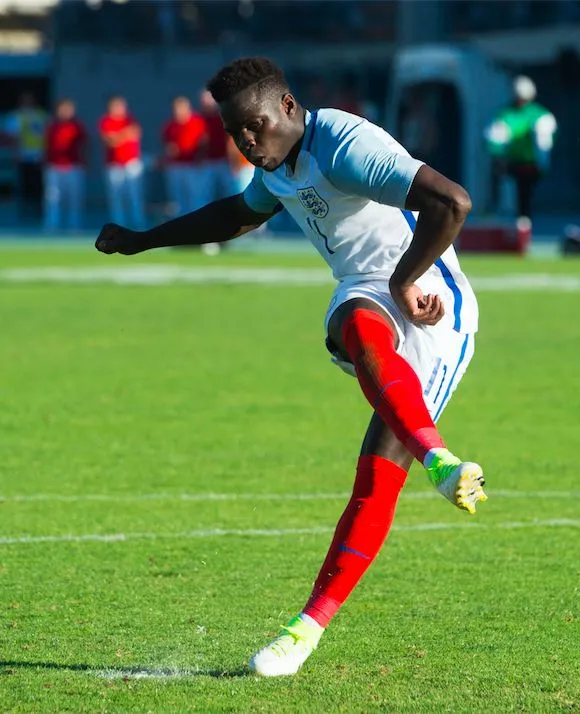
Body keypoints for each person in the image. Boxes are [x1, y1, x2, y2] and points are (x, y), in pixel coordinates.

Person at [94, 56, 485, 677]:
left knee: (379, 473)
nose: (247, 142)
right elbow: (235, 215)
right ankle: (433, 466)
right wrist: (142, 239)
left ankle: (313, 619)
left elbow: (452, 203)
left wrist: (408, 280)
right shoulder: (277, 163)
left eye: (254, 126)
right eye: (234, 134)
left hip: (436, 302)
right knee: (353, 329)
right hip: (369, 293)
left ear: (287, 107)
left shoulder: (344, 145)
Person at [485, 75, 557, 241]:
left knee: (525, 199)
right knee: (505, 196)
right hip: (510, 162)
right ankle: (502, 226)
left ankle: (523, 234)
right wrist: (498, 158)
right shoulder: (505, 114)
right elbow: (495, 139)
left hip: (529, 164)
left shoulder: (539, 114)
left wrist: (542, 162)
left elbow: (545, 142)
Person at [98, 96, 146, 230]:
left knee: (134, 195)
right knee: (116, 197)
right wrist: (125, 134)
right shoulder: (106, 121)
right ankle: (118, 225)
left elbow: (136, 133)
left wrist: (118, 136)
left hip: (131, 163)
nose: (119, 108)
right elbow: (110, 141)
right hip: (114, 165)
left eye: (121, 105)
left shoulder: (130, 119)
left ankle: (138, 224)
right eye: (116, 105)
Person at [43, 98, 87, 233]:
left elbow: (85, 146)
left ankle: (74, 226)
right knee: (52, 198)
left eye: (68, 109)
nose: (66, 112)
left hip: (74, 167)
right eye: (63, 109)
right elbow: (46, 146)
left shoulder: (77, 126)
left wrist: (84, 163)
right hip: (54, 167)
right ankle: (52, 225)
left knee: (75, 198)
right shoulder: (52, 126)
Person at [161, 96, 208, 218]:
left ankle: (200, 223)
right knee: (178, 199)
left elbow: (204, 142)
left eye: (181, 107)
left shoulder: (197, 121)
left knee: (196, 197)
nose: (178, 110)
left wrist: (201, 158)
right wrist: (169, 150)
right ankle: (182, 225)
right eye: (175, 108)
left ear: (187, 107)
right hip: (176, 167)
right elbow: (167, 144)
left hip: (193, 166)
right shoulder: (170, 125)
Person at [6, 92, 48, 222]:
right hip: (23, 156)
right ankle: (24, 212)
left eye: (30, 100)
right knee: (24, 185)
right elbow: (12, 137)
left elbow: (48, 136)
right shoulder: (16, 116)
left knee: (40, 185)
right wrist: (15, 153)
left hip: (39, 156)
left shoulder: (42, 115)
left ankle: (39, 212)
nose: (28, 103)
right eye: (25, 100)